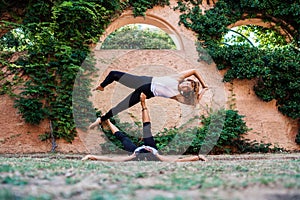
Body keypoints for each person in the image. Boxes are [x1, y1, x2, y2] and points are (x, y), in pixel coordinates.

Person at [82, 93, 207, 162]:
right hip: (152, 148)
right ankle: (143, 103)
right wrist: (197, 157)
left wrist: (92, 157)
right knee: (147, 129)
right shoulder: (154, 154)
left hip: (135, 152)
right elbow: (175, 161)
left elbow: (115, 160)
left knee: (123, 138)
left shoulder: (135, 156)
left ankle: (107, 121)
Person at [89, 69, 208, 129]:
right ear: (185, 81)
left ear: (186, 91)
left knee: (120, 107)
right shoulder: (177, 78)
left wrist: (202, 91)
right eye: (187, 83)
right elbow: (194, 71)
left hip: (145, 93)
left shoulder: (178, 96)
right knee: (114, 74)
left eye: (188, 88)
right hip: (144, 81)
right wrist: (204, 84)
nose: (185, 86)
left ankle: (101, 119)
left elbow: (195, 102)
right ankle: (101, 86)